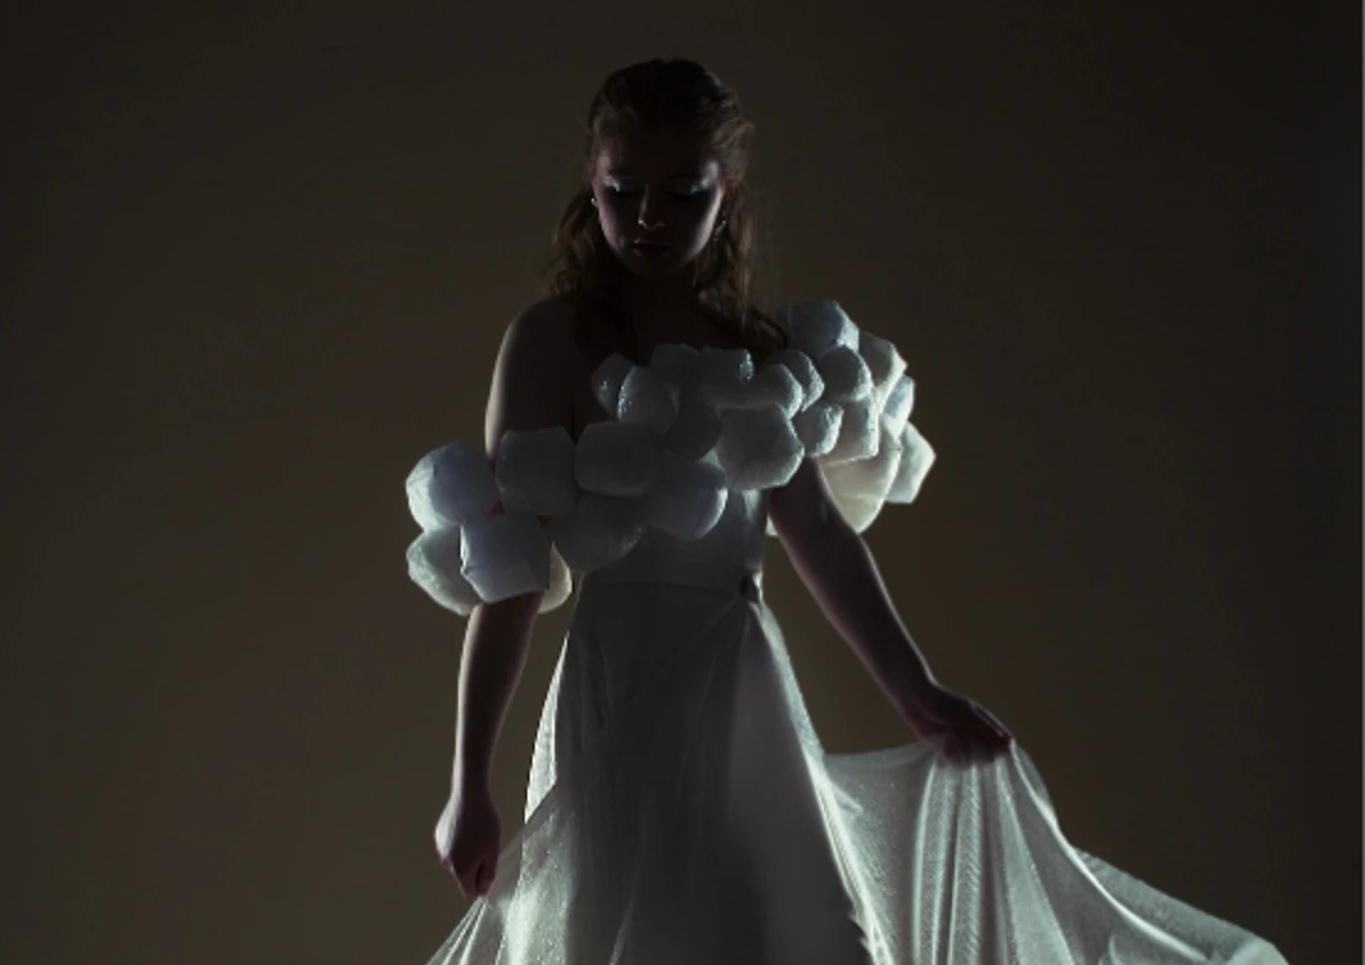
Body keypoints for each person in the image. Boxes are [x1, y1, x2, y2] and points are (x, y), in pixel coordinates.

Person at [403, 58, 1286, 965]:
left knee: (814, 935)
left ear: (728, 189)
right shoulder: (552, 341)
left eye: (683, 191)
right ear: (591, 182)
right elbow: (505, 575)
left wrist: (916, 690)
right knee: (645, 932)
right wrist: (469, 782)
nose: (649, 217)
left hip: (742, 682)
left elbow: (816, 531)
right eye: (622, 190)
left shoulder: (759, 352)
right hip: (620, 681)